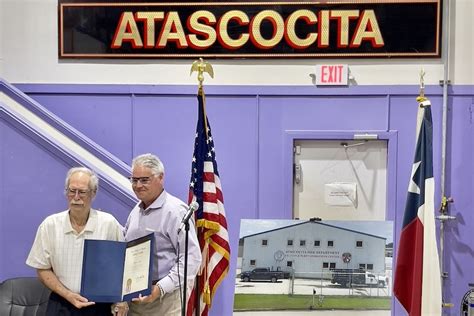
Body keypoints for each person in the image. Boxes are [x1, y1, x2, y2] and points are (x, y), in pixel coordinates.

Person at [26, 167, 128, 316]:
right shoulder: (50, 225)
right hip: (62, 302)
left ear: (93, 193)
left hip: (99, 306)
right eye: (71, 191)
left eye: (82, 192)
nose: (76, 197)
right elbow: (42, 268)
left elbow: (122, 266)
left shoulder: (108, 223)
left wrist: (122, 300)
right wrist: (67, 294)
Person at [125, 153, 202, 315]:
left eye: (144, 180)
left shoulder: (175, 211)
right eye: (134, 180)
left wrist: (160, 288)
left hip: (165, 300)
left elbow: (192, 259)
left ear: (160, 178)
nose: (138, 185)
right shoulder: (135, 211)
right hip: (136, 299)